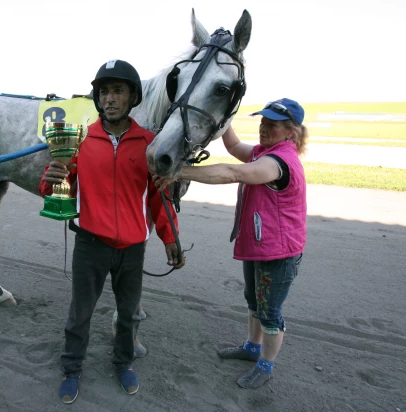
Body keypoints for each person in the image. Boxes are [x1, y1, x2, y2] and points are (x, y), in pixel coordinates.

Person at [39, 59, 185, 404]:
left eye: (117, 90)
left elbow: (159, 198)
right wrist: (49, 181)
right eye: (104, 91)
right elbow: (60, 188)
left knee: (129, 312)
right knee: (80, 313)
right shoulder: (80, 140)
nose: (109, 98)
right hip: (90, 244)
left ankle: (123, 363)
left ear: (132, 97)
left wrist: (170, 238)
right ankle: (72, 369)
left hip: (133, 248)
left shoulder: (149, 143)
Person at [154, 98, 307, 389]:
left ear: (291, 132)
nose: (264, 128)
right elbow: (235, 148)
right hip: (261, 245)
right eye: (263, 122)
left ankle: (266, 365)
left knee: (270, 313)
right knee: (254, 301)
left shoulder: (279, 161)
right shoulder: (264, 152)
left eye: (272, 125)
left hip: (279, 253)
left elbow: (231, 172)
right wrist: (225, 118)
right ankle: (252, 348)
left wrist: (179, 170)